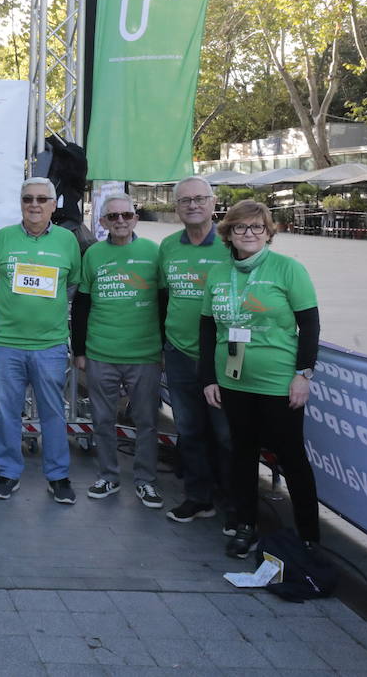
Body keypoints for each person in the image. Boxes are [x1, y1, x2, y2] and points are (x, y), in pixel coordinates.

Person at [200, 199, 322, 559]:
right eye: (240, 227)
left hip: (278, 383)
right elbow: (208, 328)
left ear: (268, 233)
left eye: (257, 227)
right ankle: (245, 526)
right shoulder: (219, 273)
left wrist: (303, 375)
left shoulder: (288, 269)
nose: (249, 234)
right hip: (234, 382)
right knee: (241, 456)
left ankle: (308, 537)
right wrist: (208, 377)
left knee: (292, 458)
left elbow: (310, 325)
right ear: (228, 234)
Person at [0, 177, 81, 503]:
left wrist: (44, 310)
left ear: (54, 205)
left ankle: (58, 477)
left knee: (53, 413)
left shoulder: (68, 240)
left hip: (50, 345)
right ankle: (8, 473)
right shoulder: (3, 237)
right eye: (28, 199)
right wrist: (17, 309)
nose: (35, 204)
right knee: (8, 411)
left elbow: (71, 286)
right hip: (8, 342)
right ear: (21, 203)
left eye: (42, 199)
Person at [72, 193, 164, 509]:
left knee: (147, 422)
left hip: (145, 354)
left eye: (126, 215)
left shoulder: (154, 252)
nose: (121, 221)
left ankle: (145, 481)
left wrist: (163, 348)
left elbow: (165, 304)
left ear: (136, 218)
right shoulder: (93, 254)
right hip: (101, 352)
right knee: (101, 420)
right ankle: (108, 476)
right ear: (102, 223)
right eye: (113, 217)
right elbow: (82, 304)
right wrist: (79, 350)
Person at [159, 176, 233, 529]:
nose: (193, 205)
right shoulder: (169, 246)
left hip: (223, 356)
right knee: (188, 430)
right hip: (178, 352)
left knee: (225, 434)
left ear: (213, 202)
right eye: (185, 200)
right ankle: (198, 497)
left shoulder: (232, 244)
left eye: (200, 198)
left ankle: (234, 506)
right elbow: (162, 297)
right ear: (176, 207)